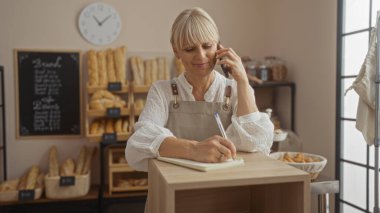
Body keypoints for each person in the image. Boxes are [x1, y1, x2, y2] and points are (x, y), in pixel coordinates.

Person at [125, 7, 274, 172]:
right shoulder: (162, 91)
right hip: (174, 189)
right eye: (190, 49)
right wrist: (195, 149)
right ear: (176, 51)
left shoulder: (235, 89)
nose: (201, 56)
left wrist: (243, 82)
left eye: (207, 46)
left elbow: (257, 144)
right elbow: (138, 144)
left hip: (225, 187)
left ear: (218, 46)